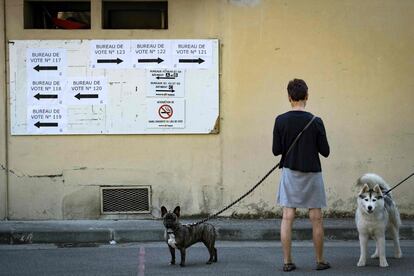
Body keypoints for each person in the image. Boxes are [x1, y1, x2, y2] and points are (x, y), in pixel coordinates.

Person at [272, 78, 330, 272]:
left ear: (289, 97)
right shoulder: (316, 121)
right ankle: (320, 261)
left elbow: (276, 150)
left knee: (287, 217)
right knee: (316, 218)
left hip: (290, 173)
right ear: (307, 96)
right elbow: (325, 151)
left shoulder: (280, 120)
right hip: (313, 174)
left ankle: (288, 262)